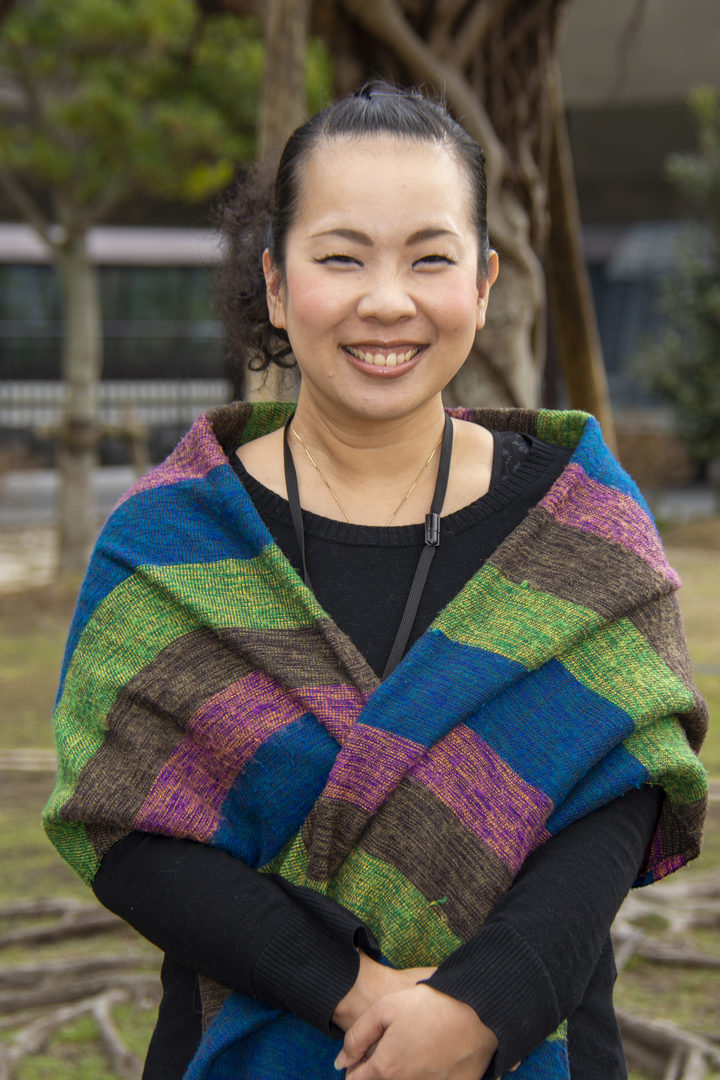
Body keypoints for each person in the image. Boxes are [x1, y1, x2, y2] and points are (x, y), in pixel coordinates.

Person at [43, 84, 708, 1080]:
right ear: (276, 285)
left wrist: (483, 1006)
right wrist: (357, 991)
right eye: (342, 257)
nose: (387, 300)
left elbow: (627, 794)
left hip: (534, 1038)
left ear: (483, 283)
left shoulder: (581, 526)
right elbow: (125, 826)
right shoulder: (169, 543)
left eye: (430, 258)